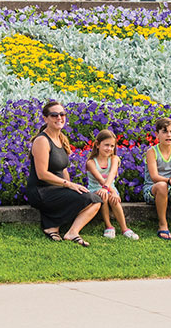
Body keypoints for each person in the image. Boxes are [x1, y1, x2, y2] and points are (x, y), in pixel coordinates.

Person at [23, 100, 102, 247]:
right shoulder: (42, 141)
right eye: (54, 115)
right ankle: (53, 226)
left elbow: (63, 169)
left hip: (57, 188)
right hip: (41, 190)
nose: (59, 117)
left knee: (95, 200)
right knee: (90, 199)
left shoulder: (61, 138)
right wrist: (69, 185)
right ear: (45, 118)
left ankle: (72, 232)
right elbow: (42, 174)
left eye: (62, 114)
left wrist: (71, 187)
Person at [85, 129, 139, 240]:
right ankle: (108, 226)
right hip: (95, 189)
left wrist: (113, 191)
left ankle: (125, 228)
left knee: (112, 198)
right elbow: (100, 180)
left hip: (109, 187)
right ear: (97, 144)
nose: (109, 148)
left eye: (112, 146)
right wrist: (107, 189)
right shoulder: (91, 163)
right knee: (104, 196)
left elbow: (111, 176)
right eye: (106, 145)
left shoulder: (114, 159)